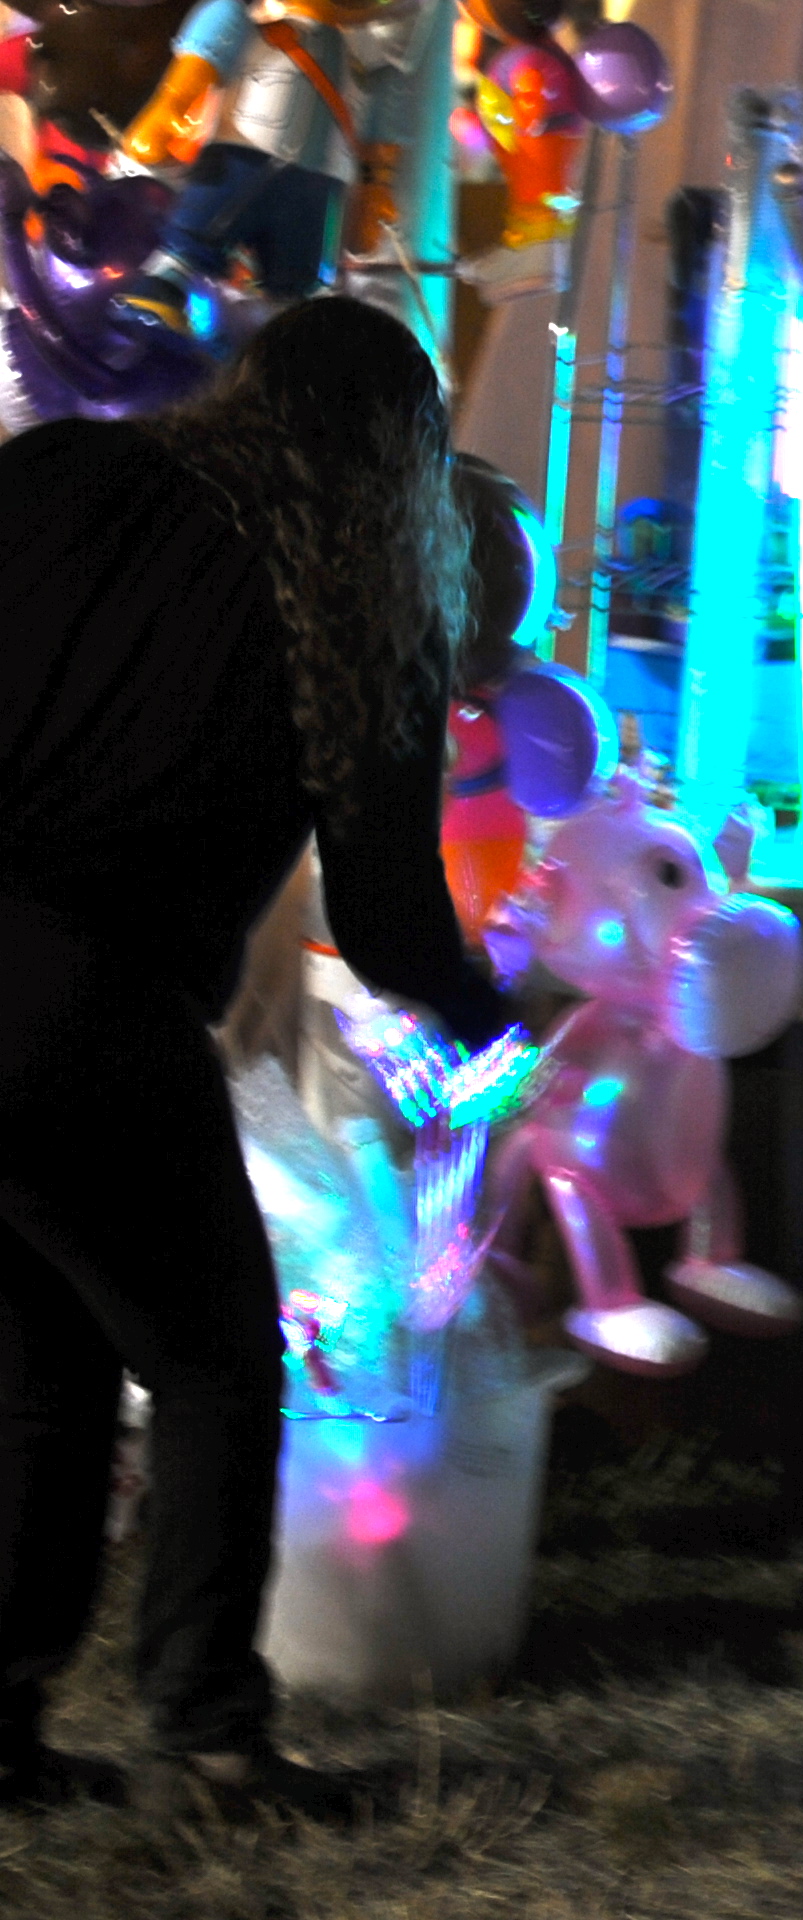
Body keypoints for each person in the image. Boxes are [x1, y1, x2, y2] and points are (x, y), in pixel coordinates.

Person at [0, 296, 511, 1818]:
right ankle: (211, 1739)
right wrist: (497, 1042)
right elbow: (392, 918)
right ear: (400, 462)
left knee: (43, 1358)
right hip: (77, 999)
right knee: (217, 1359)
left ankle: (6, 1724)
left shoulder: (60, 476)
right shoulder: (356, 597)